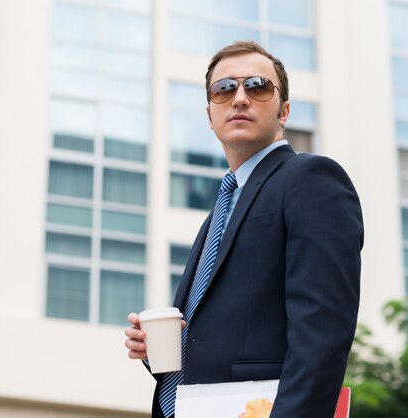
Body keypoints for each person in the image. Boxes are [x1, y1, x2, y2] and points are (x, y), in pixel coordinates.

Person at [124, 41, 364, 418]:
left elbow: (321, 337)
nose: (239, 98)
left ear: (283, 111)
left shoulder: (311, 179)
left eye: (257, 86)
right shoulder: (220, 210)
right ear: (209, 114)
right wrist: (162, 350)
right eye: (224, 89)